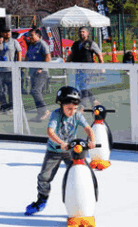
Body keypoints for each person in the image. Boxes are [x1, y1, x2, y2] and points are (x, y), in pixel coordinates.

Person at [24, 86, 95, 216]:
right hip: (54, 151)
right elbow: (50, 132)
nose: (72, 112)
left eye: (74, 109)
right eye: (69, 109)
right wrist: (61, 142)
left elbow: (88, 129)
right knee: (44, 177)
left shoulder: (77, 115)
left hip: (71, 152)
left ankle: (82, 203)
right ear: (61, 104)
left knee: (82, 174)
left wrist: (91, 141)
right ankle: (42, 200)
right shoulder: (56, 115)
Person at [68, 27, 104, 107]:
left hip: (88, 68)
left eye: (83, 32)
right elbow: (71, 55)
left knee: (84, 85)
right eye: (80, 32)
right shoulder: (75, 44)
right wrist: (65, 64)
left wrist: (102, 67)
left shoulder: (91, 43)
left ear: (87, 33)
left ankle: (83, 105)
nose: (81, 33)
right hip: (77, 68)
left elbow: (99, 55)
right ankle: (94, 100)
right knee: (81, 86)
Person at [0, 28, 22, 115]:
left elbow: (19, 52)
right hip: (0, 70)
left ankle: (12, 107)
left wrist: (18, 64)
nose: (8, 34)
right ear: (2, 33)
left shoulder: (14, 41)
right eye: (5, 32)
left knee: (11, 89)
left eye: (9, 32)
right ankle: (4, 105)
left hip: (10, 70)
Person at [24, 28, 52, 121]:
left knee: (35, 91)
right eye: (29, 35)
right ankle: (40, 113)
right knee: (34, 91)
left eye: (32, 35)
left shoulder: (42, 44)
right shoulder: (31, 45)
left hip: (41, 72)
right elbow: (27, 57)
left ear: (38, 36)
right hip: (33, 72)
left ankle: (44, 111)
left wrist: (40, 68)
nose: (30, 37)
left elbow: (48, 57)